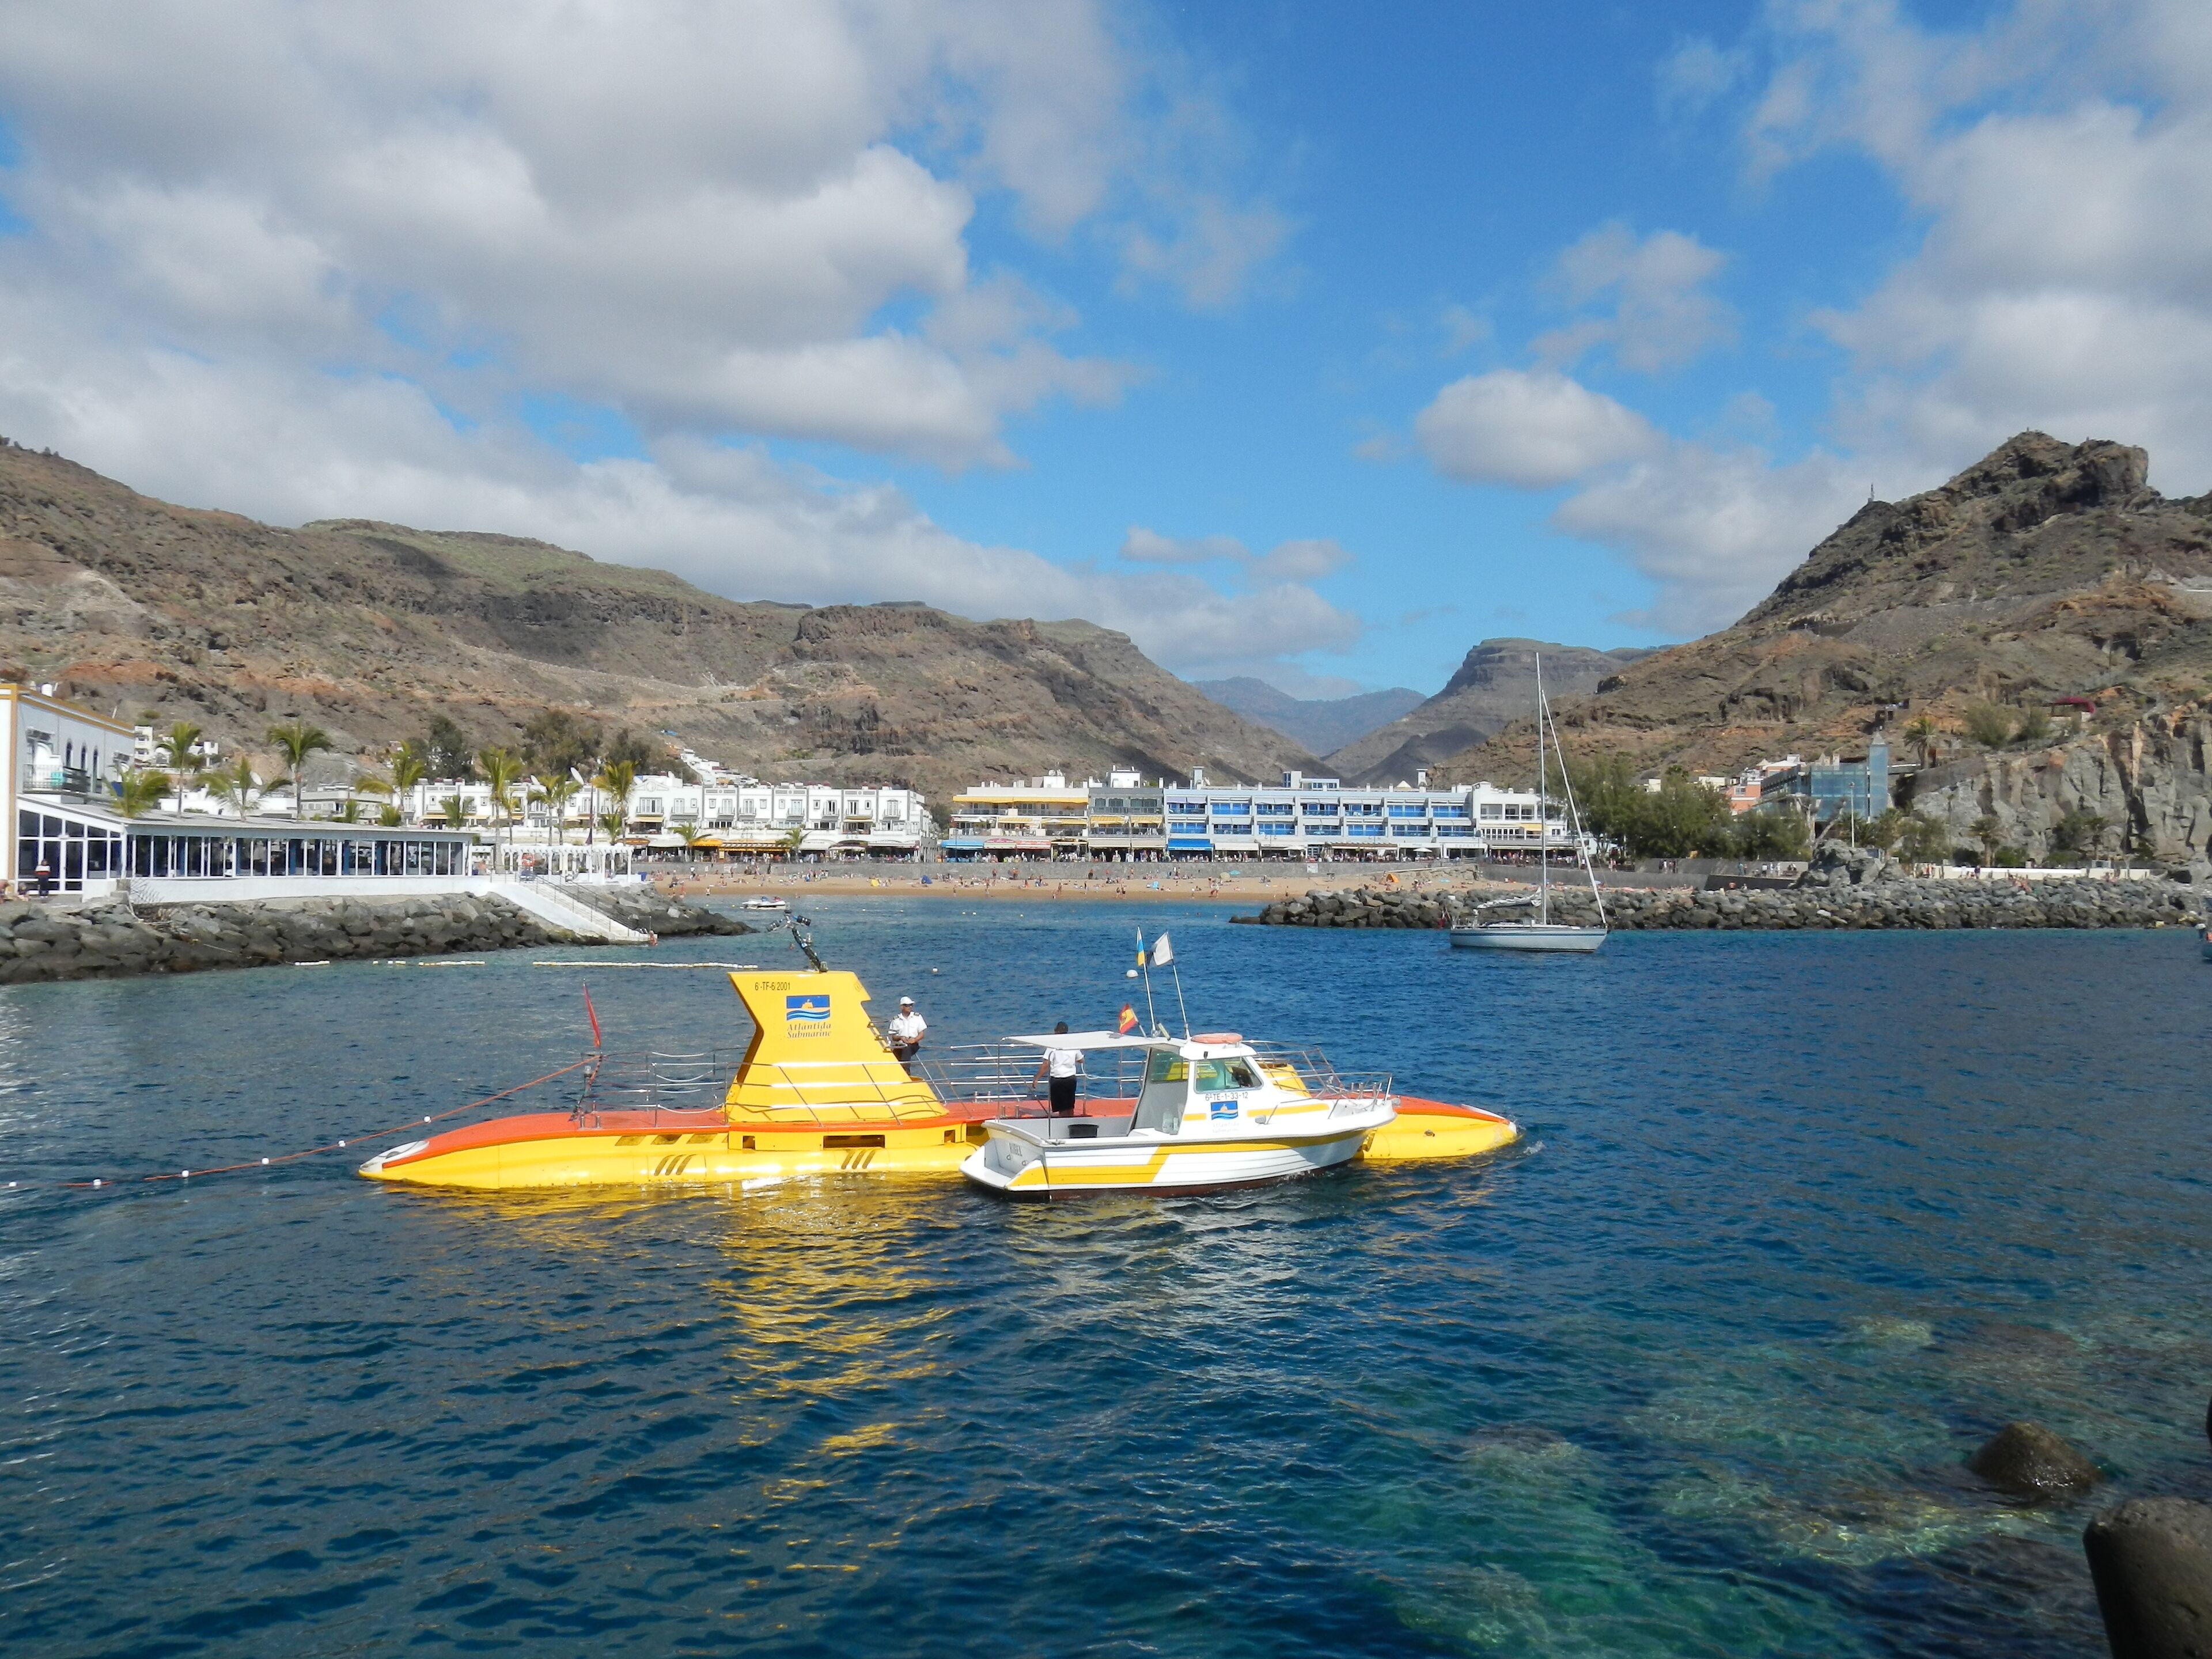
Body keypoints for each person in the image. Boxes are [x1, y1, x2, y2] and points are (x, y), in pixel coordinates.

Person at [1032, 1021, 1084, 1118]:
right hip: (1071, 1079)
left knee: (1062, 1107)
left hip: (1058, 1080)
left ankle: (1063, 1124)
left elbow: (1046, 1064)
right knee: (1070, 1106)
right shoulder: (1073, 1045)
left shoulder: (1053, 1045)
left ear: (1056, 1031)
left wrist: (1037, 1078)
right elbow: (1081, 1060)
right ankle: (1070, 1124)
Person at [887, 996, 926, 1071]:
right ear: (902, 1007)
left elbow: (922, 1034)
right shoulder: (896, 1020)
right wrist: (901, 1038)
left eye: (911, 1005)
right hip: (900, 1045)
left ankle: (906, 1071)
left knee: (907, 1047)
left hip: (913, 1044)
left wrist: (915, 1039)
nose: (910, 1007)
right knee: (894, 1054)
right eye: (907, 1005)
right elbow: (894, 1037)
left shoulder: (917, 1017)